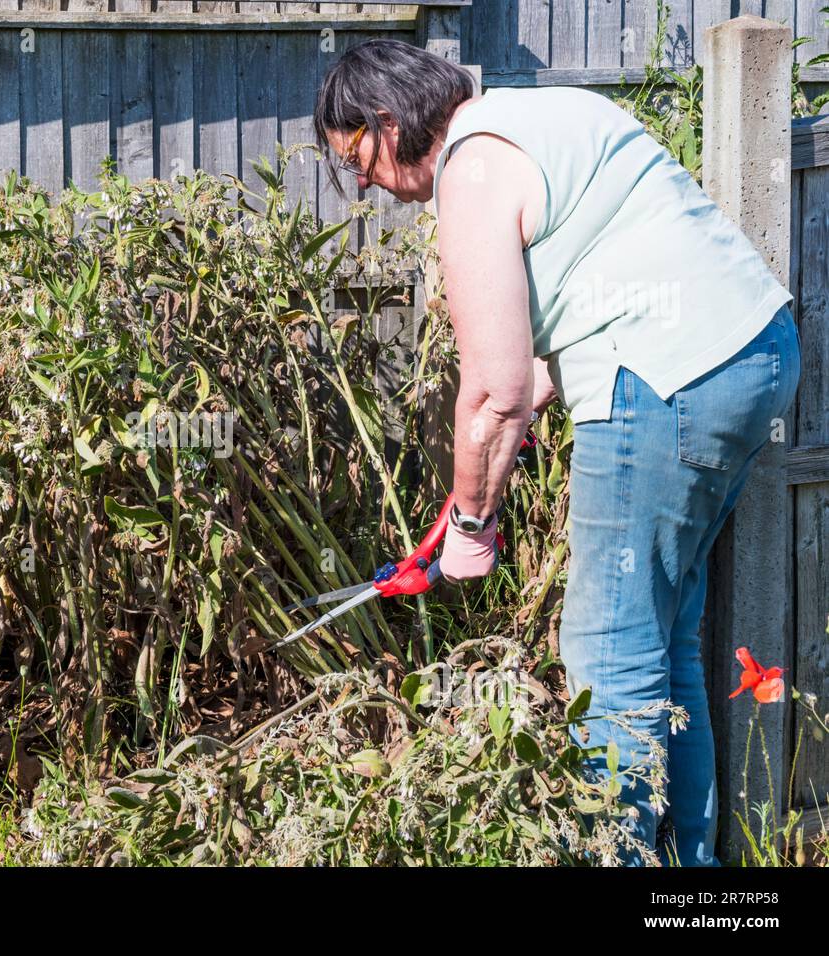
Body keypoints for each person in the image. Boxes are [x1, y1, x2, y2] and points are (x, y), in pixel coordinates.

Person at [313, 38, 801, 866]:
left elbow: (492, 392)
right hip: (753, 353)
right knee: (663, 640)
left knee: (607, 653)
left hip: (661, 380)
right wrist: (482, 472)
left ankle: (619, 860)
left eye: (354, 155)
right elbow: (541, 358)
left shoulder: (470, 172)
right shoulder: (542, 115)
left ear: (388, 124)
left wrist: (470, 529)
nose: (359, 179)